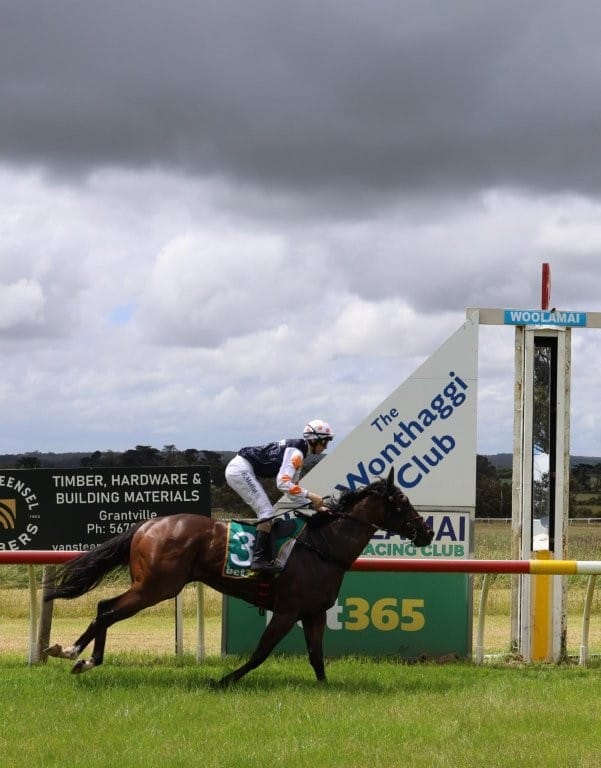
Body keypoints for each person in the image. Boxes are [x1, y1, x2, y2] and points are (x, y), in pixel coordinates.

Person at [225, 419, 335, 572]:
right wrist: (311, 495)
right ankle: (258, 560)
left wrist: (314, 506)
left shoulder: (300, 453)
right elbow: (282, 483)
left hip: (243, 468)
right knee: (267, 513)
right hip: (240, 470)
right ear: (313, 439)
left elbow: (292, 491)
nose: (326, 446)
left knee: (268, 514)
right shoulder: (297, 453)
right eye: (325, 441)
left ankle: (262, 556)